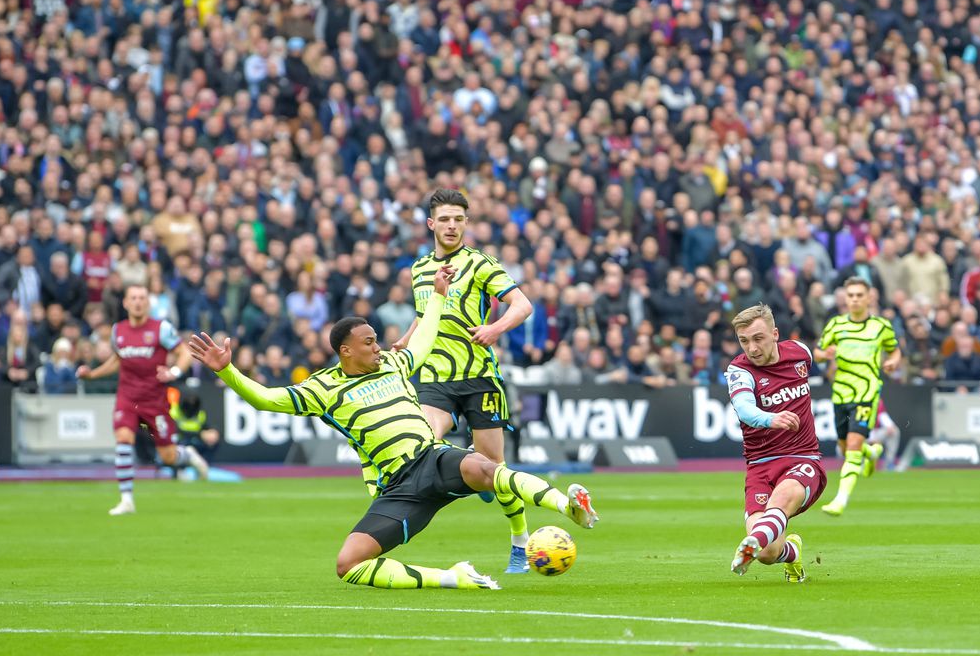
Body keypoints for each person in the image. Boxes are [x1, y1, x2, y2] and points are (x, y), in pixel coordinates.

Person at [188, 264, 598, 591]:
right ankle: (453, 577)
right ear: (345, 350)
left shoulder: (396, 364)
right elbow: (267, 399)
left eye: (377, 338)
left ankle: (568, 507)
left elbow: (425, 338)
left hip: (431, 458)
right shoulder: (323, 388)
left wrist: (437, 296)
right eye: (369, 342)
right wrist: (229, 373)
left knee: (484, 466)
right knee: (347, 565)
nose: (378, 345)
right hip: (399, 488)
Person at [393, 189, 535, 573]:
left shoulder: (480, 264)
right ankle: (463, 475)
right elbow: (425, 313)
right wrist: (406, 340)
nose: (452, 225)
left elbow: (523, 305)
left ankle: (520, 541)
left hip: (478, 378)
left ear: (466, 223)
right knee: (423, 442)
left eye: (458, 219)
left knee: (498, 470)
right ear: (431, 224)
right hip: (435, 377)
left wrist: (495, 328)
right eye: (445, 219)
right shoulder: (419, 269)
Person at [78, 284, 208, 515]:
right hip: (127, 397)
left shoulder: (161, 329)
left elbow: (185, 353)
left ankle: (187, 455)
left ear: (148, 303)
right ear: (126, 303)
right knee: (123, 438)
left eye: (142, 298)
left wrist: (174, 372)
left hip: (154, 400)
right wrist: (93, 373)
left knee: (167, 456)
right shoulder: (118, 331)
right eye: (133, 298)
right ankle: (126, 499)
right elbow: (119, 360)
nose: (138, 302)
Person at [724, 304, 824, 583]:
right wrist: (771, 419)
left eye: (758, 338)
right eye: (744, 341)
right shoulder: (738, 370)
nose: (752, 348)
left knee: (779, 503)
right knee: (768, 553)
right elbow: (744, 409)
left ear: (775, 334)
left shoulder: (801, 353)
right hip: (759, 466)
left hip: (802, 458)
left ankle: (750, 543)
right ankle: (791, 554)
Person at [813, 277, 901, 516]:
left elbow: (894, 350)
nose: (854, 299)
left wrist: (893, 362)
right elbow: (818, 352)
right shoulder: (836, 325)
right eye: (850, 295)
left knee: (851, 446)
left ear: (869, 297)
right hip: (841, 393)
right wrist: (824, 354)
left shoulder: (881, 326)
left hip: (867, 392)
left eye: (859, 295)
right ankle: (871, 452)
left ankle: (840, 499)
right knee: (844, 446)